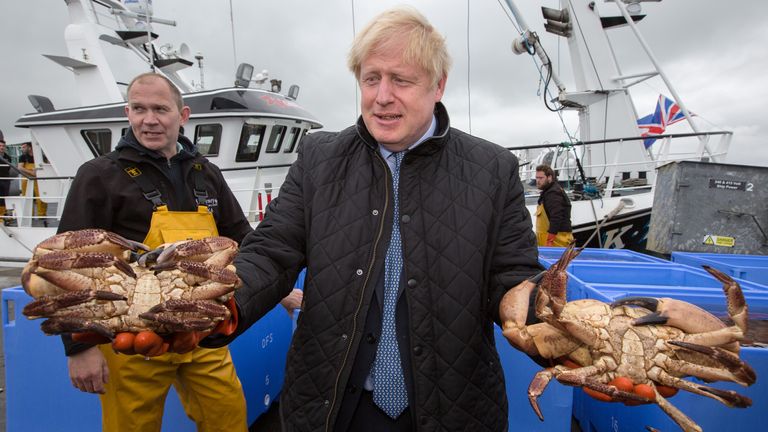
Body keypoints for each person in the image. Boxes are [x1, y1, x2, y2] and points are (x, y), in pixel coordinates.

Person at [202, 7, 541, 431]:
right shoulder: (317, 158)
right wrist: (218, 304)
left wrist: (549, 326)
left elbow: (512, 277)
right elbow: (271, 252)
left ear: (438, 85)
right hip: (332, 403)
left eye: (401, 80)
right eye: (370, 78)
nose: (382, 96)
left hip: (453, 406)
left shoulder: (494, 168)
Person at [57, 72, 254, 432]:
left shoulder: (206, 173)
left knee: (229, 418)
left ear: (183, 116)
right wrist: (78, 348)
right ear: (127, 113)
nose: (149, 119)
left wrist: (280, 289)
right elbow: (72, 263)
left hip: (202, 332)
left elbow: (242, 237)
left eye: (160, 109)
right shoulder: (99, 175)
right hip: (131, 340)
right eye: (139, 109)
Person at [535, 164, 575, 247]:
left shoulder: (553, 193)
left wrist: (550, 241)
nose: (538, 181)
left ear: (549, 177)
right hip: (548, 240)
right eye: (537, 178)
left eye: (541, 178)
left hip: (557, 242)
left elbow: (556, 217)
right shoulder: (548, 191)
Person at [18, 141, 48, 221]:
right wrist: (32, 172)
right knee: (27, 197)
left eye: (24, 147)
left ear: (30, 147)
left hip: (39, 179)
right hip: (27, 179)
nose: (22, 149)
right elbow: (20, 168)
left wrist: (37, 172)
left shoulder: (40, 156)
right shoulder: (22, 157)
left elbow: (46, 165)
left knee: (41, 196)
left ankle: (42, 215)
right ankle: (29, 215)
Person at [0, 131, 12, 222]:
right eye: (0, 146)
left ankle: (3, 216)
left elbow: (8, 169)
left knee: (5, 198)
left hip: (5, 180)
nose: (2, 148)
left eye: (3, 146)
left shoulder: (8, 157)